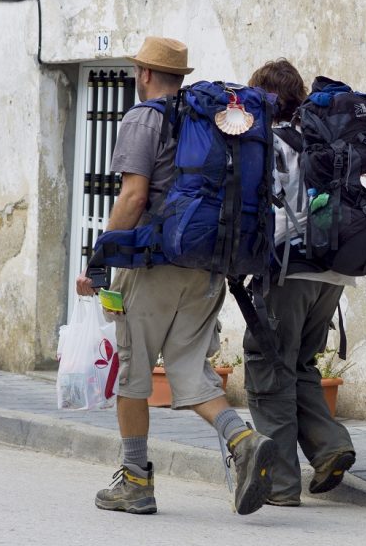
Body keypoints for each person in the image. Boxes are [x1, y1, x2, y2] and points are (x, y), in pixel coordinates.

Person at [76, 35, 276, 517]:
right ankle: (243, 439)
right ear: (179, 77)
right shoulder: (203, 118)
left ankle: (135, 481)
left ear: (144, 74)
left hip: (153, 265)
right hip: (207, 266)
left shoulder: (144, 118)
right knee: (189, 370)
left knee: (134, 371)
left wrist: (99, 262)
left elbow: (133, 198)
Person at [242, 58, 358, 506]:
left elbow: (263, 214)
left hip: (291, 269)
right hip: (334, 272)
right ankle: (330, 447)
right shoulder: (322, 137)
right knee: (301, 364)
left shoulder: (268, 143)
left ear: (263, 98)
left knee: (268, 366)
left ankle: (281, 485)